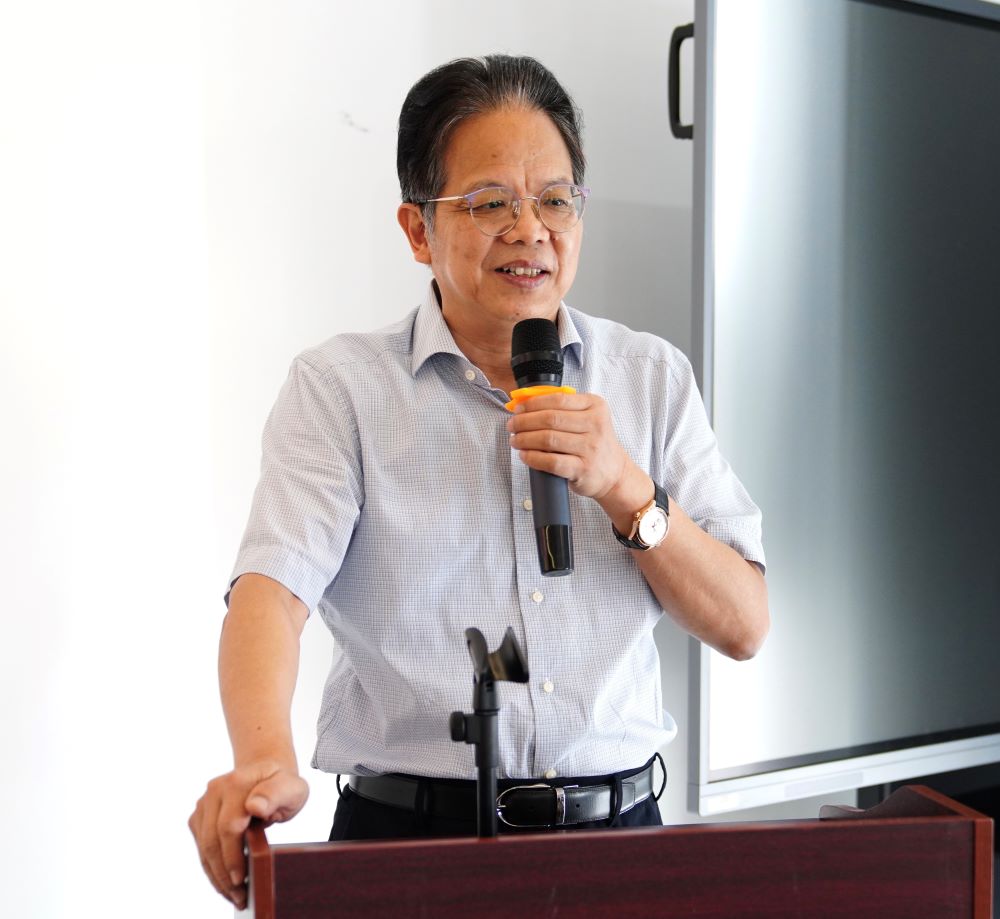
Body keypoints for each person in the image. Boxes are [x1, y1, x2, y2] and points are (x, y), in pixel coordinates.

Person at [189, 54, 768, 909]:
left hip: (619, 845)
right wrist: (264, 758)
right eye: (491, 202)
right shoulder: (342, 389)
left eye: (555, 200)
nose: (530, 229)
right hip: (409, 849)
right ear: (418, 229)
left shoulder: (651, 378)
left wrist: (625, 488)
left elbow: (745, 624)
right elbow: (270, 592)